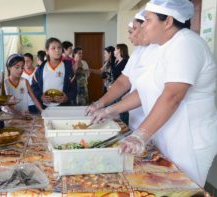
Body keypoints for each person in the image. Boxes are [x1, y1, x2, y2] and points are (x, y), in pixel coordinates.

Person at [92, 0, 217, 187]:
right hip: (166, 133)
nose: (143, 26)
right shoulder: (163, 47)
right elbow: (145, 91)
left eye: (148, 20)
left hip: (189, 138)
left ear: (167, 21)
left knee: (183, 189)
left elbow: (172, 96)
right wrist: (109, 109)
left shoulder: (186, 43)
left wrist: (140, 134)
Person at [86, 9, 156, 131]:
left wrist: (110, 110)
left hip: (151, 124)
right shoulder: (138, 52)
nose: (129, 36)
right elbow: (123, 81)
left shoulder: (158, 50)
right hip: (137, 120)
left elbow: (144, 92)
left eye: (133, 30)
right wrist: (100, 103)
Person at [31, 37, 77, 107]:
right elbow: (34, 87)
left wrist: (67, 97)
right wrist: (41, 96)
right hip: (45, 107)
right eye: (53, 48)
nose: (57, 50)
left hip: (63, 107)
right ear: (47, 51)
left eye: (59, 48)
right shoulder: (40, 69)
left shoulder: (68, 68)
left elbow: (74, 89)